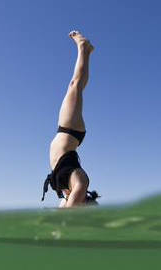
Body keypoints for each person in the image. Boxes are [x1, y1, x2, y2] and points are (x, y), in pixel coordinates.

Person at [42, 30, 99, 207]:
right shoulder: (81, 183)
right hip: (70, 130)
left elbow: (65, 208)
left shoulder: (67, 196)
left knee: (75, 86)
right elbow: (70, 212)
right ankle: (83, 48)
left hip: (68, 133)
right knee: (74, 85)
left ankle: (87, 51)